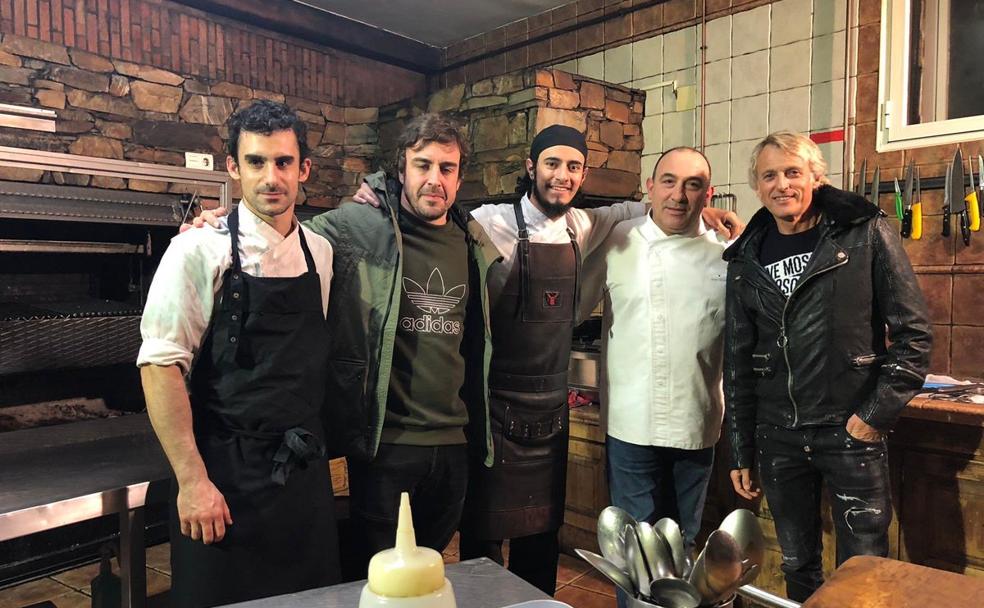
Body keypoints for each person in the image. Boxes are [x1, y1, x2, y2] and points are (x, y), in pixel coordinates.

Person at [138, 100, 340, 607]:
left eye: (283, 162)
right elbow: (160, 367)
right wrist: (192, 481)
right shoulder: (197, 250)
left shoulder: (321, 253)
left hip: (301, 482)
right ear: (233, 167)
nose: (271, 177)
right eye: (255, 162)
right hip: (222, 480)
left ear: (304, 170)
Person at [723, 131, 931, 602]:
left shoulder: (865, 232)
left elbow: (914, 336)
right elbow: (737, 360)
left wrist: (872, 417)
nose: (782, 184)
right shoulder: (744, 258)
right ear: (757, 186)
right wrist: (741, 448)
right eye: (769, 175)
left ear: (817, 177)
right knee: (796, 564)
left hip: (849, 432)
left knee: (862, 569)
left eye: (793, 172)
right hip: (778, 437)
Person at [580, 146, 728, 607]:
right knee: (633, 556)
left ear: (709, 193)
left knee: (682, 549)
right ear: (649, 187)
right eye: (668, 181)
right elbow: (573, 307)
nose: (679, 196)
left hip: (696, 419)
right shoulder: (617, 240)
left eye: (693, 185)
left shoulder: (729, 251)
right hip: (631, 421)